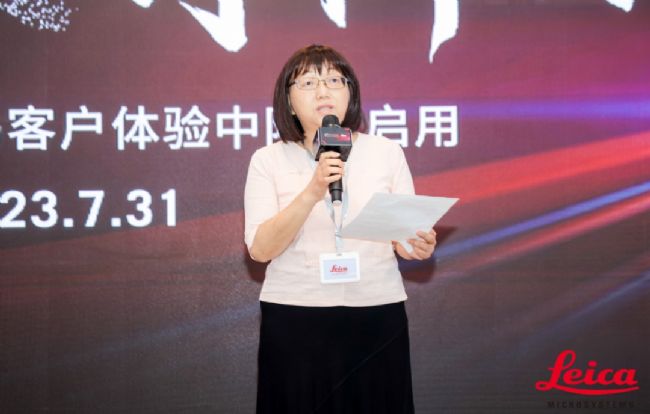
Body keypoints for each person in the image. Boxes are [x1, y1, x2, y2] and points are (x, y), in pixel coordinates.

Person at [244, 44, 436, 414]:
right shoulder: (268, 160)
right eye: (308, 83)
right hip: (296, 315)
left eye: (334, 80)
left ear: (350, 93)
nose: (323, 91)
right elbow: (261, 249)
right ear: (288, 102)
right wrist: (313, 190)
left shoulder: (385, 152)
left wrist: (418, 243)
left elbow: (404, 239)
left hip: (375, 311)